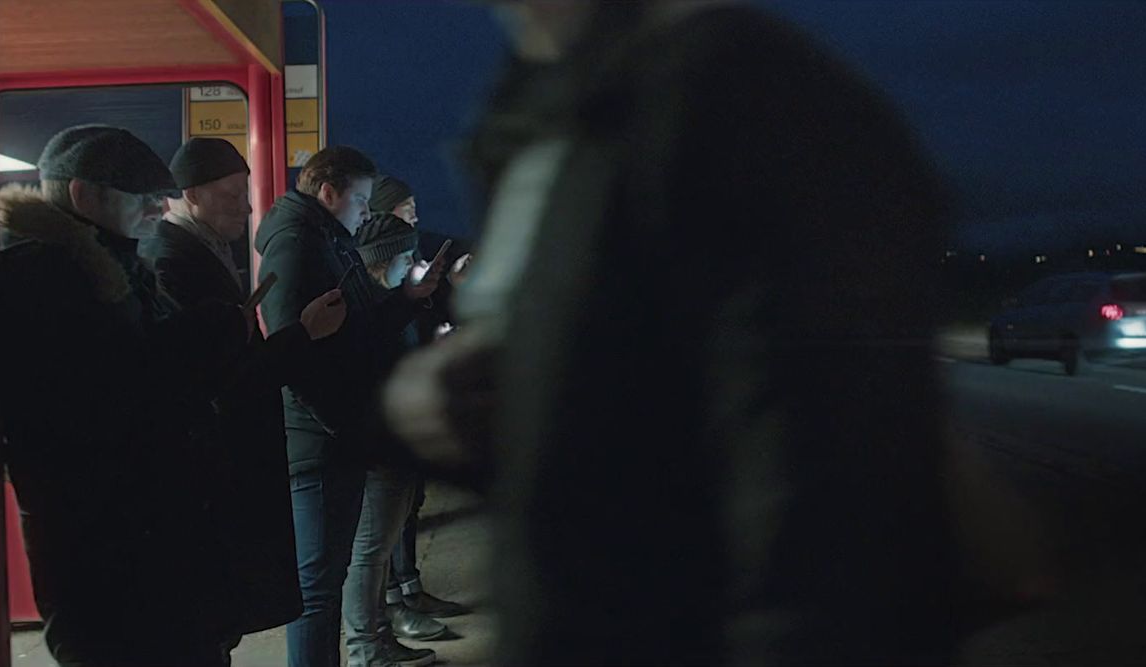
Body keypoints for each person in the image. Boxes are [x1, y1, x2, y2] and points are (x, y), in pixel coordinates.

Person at [384, 3, 976, 664]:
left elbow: (830, 544)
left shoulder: (754, 106)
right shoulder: (563, 115)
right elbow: (627, 435)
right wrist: (479, 407)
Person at [0, 126, 345, 666]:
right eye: (144, 198)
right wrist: (200, 342)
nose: (159, 209)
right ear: (85, 195)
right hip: (113, 556)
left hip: (150, 545)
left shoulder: (103, 263)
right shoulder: (45, 275)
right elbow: (101, 406)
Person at [255, 147, 451, 667]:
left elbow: (356, 333)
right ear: (329, 192)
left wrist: (409, 299)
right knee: (318, 589)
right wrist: (344, 426)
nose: (367, 213)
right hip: (320, 443)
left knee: (330, 578)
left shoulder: (326, 240)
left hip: (333, 437)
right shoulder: (298, 245)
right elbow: (294, 357)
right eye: (361, 200)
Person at [137, 137, 317, 638]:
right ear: (190, 194)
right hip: (215, 464)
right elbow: (217, 373)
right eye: (232, 193)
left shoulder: (204, 247)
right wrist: (301, 335)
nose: (247, 205)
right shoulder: (169, 258)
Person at [341, 214, 460, 667]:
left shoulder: (395, 301)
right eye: (405, 256)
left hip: (397, 441)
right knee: (370, 552)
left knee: (379, 548)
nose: (412, 263)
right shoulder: (371, 308)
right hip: (380, 446)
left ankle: (379, 638)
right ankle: (365, 648)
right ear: (381, 261)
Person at [367, 176, 472, 624]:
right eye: (406, 209)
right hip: (384, 411)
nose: (415, 216)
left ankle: (410, 590)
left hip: (408, 396)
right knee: (382, 526)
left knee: (408, 507)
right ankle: (391, 607)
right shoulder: (377, 266)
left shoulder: (412, 258)